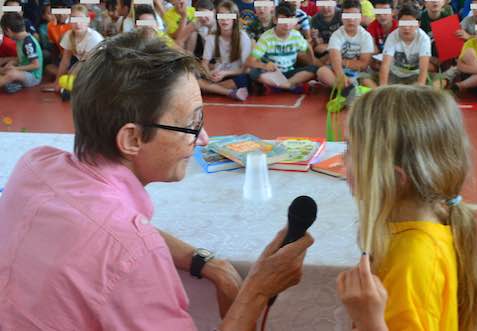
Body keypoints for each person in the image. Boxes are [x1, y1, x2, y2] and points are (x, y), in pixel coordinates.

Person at [0, 31, 314, 330]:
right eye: (192, 123)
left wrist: (205, 262)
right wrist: (257, 291)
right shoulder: (134, 253)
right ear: (132, 138)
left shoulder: (35, 166)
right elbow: (122, 246)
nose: (203, 139)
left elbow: (107, 232)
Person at [337, 85, 477, 331]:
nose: (343, 159)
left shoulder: (412, 263)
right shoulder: (432, 222)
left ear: (394, 179)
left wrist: (368, 321)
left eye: (351, 149)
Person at [246, 1, 317, 93]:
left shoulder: (296, 35)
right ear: (275, 20)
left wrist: (310, 63)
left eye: (290, 20)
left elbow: (307, 48)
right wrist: (264, 66)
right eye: (283, 20)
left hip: (290, 73)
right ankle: (290, 86)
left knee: (314, 69)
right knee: (252, 72)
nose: (287, 25)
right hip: (272, 73)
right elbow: (249, 62)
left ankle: (284, 85)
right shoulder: (266, 37)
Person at [199, 0, 252, 101]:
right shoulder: (212, 37)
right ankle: (230, 92)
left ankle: (210, 89)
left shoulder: (243, 37)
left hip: (235, 75)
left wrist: (225, 73)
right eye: (221, 15)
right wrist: (209, 75)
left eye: (228, 16)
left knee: (243, 80)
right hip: (218, 75)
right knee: (197, 80)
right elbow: (204, 63)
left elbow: (245, 69)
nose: (224, 20)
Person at [316, 0, 375, 89]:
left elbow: (363, 64)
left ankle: (346, 89)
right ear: (342, 17)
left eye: (354, 16)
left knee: (368, 82)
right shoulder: (336, 35)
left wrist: (342, 61)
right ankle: (348, 89)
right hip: (338, 70)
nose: (351, 20)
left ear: (361, 17)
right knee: (322, 72)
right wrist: (340, 76)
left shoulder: (366, 36)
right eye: (347, 16)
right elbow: (335, 60)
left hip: (358, 72)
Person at [51, 4, 104, 94]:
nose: (78, 24)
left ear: (88, 21)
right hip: (83, 69)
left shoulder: (93, 38)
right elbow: (65, 61)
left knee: (72, 79)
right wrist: (57, 81)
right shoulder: (68, 35)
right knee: (63, 79)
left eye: (81, 20)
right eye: (74, 19)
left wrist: (69, 77)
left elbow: (85, 65)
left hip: (99, 71)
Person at [378, 4, 431, 86]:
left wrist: (419, 88)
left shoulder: (424, 39)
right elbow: (385, 65)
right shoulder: (392, 36)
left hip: (414, 75)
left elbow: (423, 68)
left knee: (436, 82)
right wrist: (383, 88)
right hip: (395, 75)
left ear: (418, 24)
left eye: (411, 24)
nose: (406, 27)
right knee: (365, 78)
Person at [0, 12, 43, 94]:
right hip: (24, 71)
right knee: (6, 70)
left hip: (34, 77)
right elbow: (22, 58)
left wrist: (15, 68)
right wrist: (11, 62)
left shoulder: (28, 43)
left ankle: (11, 82)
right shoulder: (19, 39)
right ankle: (13, 84)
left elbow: (36, 65)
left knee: (11, 74)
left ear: (8, 30)